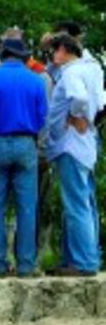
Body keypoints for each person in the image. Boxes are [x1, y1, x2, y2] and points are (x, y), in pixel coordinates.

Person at [0, 36, 48, 277]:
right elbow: (42, 116)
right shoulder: (35, 80)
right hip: (26, 143)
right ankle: (26, 264)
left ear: (2, 57)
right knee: (27, 207)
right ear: (23, 56)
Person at [45, 33, 104, 275]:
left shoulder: (70, 72)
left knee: (76, 205)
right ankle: (82, 259)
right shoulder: (92, 70)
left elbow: (78, 97)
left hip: (69, 144)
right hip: (85, 144)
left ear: (64, 50)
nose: (52, 57)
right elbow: (101, 103)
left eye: (53, 51)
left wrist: (76, 114)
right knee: (86, 203)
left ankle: (84, 263)